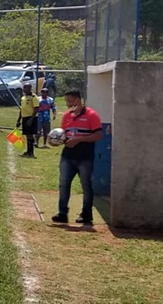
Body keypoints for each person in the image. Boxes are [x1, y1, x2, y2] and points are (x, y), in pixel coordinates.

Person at [51, 89, 103, 226]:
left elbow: (98, 135)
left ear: (77, 100)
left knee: (86, 186)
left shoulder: (92, 115)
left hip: (85, 157)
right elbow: (64, 134)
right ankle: (62, 213)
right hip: (67, 156)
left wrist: (79, 139)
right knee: (63, 184)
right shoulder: (67, 116)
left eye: (69, 101)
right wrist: (56, 141)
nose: (67, 104)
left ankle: (86, 215)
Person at [15, 83, 41, 158]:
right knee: (27, 135)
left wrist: (31, 119)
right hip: (25, 117)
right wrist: (18, 120)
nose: (24, 89)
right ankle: (28, 151)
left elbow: (36, 108)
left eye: (25, 88)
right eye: (24, 88)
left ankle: (31, 152)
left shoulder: (34, 97)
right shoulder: (23, 98)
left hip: (31, 117)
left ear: (29, 88)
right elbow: (22, 109)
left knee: (30, 135)